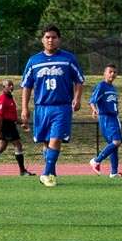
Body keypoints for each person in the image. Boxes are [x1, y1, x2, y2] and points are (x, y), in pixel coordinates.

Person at [20, 25, 84, 187]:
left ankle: (46, 172)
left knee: (56, 138)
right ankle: (52, 172)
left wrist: (77, 98)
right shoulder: (34, 61)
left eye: (54, 37)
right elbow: (27, 86)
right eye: (47, 37)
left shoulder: (68, 58)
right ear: (42, 40)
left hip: (61, 106)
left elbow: (79, 80)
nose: (50, 40)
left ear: (59, 39)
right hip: (41, 107)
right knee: (46, 142)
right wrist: (25, 108)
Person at [0, 79, 34, 176]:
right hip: (6, 125)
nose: (11, 87)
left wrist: (21, 122)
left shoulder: (10, 98)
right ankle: (22, 171)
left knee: (1, 147)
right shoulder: (3, 99)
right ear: (3, 87)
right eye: (9, 85)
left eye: (12, 85)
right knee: (18, 145)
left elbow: (12, 116)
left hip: (10, 124)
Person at [89, 64, 122, 178]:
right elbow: (92, 100)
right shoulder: (101, 86)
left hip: (114, 118)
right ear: (104, 73)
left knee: (114, 145)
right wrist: (94, 110)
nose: (112, 74)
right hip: (106, 118)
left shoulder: (112, 88)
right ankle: (96, 160)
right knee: (116, 142)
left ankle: (114, 172)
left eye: (114, 72)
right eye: (110, 72)